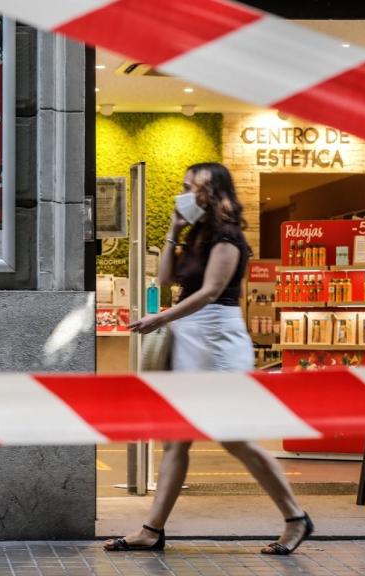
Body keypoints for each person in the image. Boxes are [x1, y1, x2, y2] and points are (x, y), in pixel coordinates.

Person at [104, 163, 313, 555]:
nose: (183, 195)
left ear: (213, 193)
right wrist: (172, 231)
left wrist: (161, 318)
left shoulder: (228, 238)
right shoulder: (197, 234)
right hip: (191, 340)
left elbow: (212, 291)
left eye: (191, 189)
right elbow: (166, 278)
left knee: (234, 439)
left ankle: (296, 517)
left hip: (217, 343)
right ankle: (152, 530)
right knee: (176, 441)